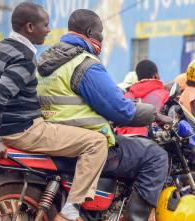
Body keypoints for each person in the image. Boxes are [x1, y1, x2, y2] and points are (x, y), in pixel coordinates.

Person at [0, 3, 107, 221]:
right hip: (24, 131)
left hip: (3, 131)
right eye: (45, 25)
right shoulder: (24, 57)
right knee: (96, 142)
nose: (48, 30)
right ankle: (70, 212)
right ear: (30, 27)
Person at [37, 9, 169, 221]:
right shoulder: (84, 64)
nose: (102, 39)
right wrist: (152, 114)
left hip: (53, 142)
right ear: (90, 32)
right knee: (154, 156)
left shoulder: (46, 62)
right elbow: (119, 109)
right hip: (86, 145)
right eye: (100, 33)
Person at [116, 59, 169, 136]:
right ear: (156, 76)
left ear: (138, 78)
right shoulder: (165, 95)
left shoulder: (126, 96)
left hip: (125, 142)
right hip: (153, 142)